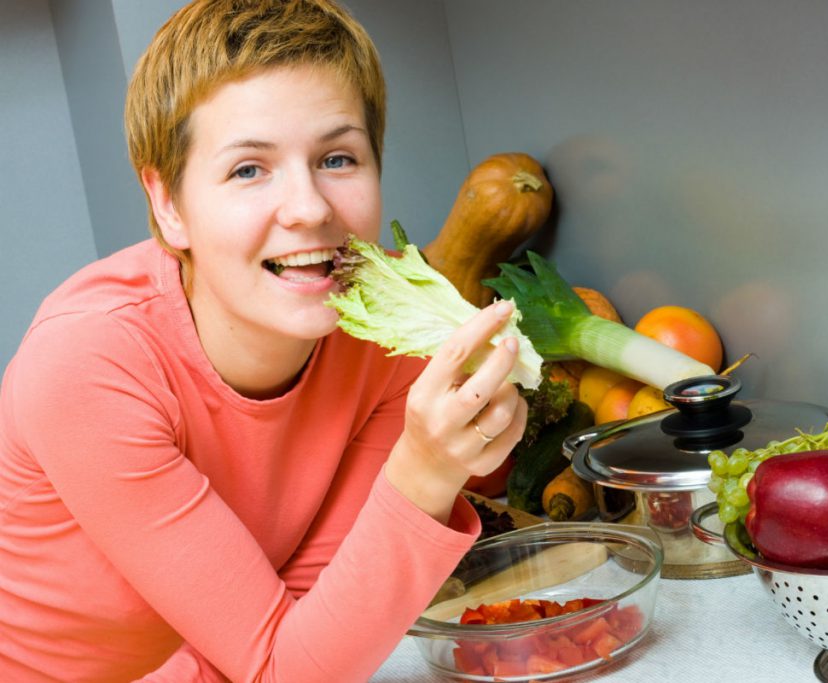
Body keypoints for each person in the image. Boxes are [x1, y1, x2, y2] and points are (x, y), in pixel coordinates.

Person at [0, 1, 527, 680]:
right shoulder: (88, 365)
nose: (309, 208)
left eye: (338, 158)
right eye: (249, 169)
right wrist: (424, 474)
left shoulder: (386, 330)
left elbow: (305, 636)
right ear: (168, 205)